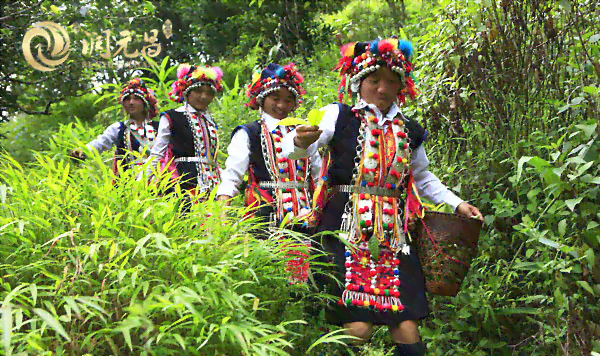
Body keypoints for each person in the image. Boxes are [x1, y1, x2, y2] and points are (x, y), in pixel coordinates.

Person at [282, 38, 483, 356]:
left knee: (406, 327)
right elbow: (300, 146)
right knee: (358, 329)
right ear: (358, 81)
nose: (382, 88)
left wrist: (457, 202)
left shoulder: (410, 130)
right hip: (343, 230)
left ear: (401, 86)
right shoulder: (339, 116)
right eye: (374, 80)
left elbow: (422, 177)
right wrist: (300, 140)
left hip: (394, 233)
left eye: (391, 81)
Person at [217, 63, 319, 284]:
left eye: (288, 99)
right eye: (275, 97)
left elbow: (319, 175)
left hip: (304, 211)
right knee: (268, 273)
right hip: (265, 212)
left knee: (307, 275)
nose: (282, 105)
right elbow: (232, 175)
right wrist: (222, 213)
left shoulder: (304, 131)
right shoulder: (249, 133)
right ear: (261, 98)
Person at [146, 64, 223, 201]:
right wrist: (143, 182)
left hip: (212, 184)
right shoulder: (172, 117)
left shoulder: (210, 122)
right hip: (183, 183)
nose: (204, 96)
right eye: (198, 91)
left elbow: (213, 157)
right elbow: (157, 153)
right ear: (186, 91)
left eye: (209, 92)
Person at [70, 78, 159, 175]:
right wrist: (83, 151)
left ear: (144, 103)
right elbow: (100, 143)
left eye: (136, 98)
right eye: (127, 99)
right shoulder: (119, 128)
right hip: (129, 184)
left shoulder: (160, 127)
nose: (131, 103)